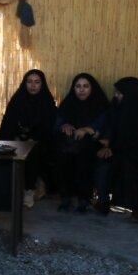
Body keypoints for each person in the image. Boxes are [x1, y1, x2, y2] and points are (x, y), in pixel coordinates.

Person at [94, 77, 138, 219]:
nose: (116, 95)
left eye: (119, 93)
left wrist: (115, 148)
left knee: (134, 166)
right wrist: (110, 145)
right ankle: (103, 201)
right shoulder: (116, 107)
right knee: (102, 163)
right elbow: (112, 129)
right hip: (118, 149)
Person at [0, 69, 58, 207]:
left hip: (40, 142)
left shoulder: (47, 102)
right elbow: (8, 123)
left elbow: (48, 127)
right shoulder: (17, 100)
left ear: (42, 84)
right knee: (14, 149)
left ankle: (29, 190)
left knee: (33, 152)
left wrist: (33, 139)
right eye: (29, 82)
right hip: (17, 139)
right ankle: (9, 190)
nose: (33, 85)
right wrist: (16, 137)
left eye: (37, 82)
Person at [54, 73, 108, 213]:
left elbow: (105, 127)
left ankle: (84, 200)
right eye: (78, 86)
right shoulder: (68, 103)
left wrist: (89, 129)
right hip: (69, 146)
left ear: (92, 88)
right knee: (62, 157)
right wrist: (64, 125)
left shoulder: (100, 105)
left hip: (92, 145)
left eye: (85, 86)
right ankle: (66, 197)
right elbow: (57, 123)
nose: (81, 90)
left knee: (84, 159)